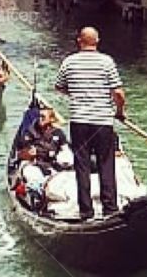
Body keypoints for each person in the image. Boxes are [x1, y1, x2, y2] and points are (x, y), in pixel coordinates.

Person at [53, 27, 126, 220]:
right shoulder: (107, 62)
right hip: (103, 122)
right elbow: (118, 93)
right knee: (106, 164)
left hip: (79, 122)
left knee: (82, 165)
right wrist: (119, 112)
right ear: (97, 41)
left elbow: (59, 86)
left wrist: (76, 93)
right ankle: (110, 209)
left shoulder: (69, 62)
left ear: (79, 41)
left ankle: (86, 211)